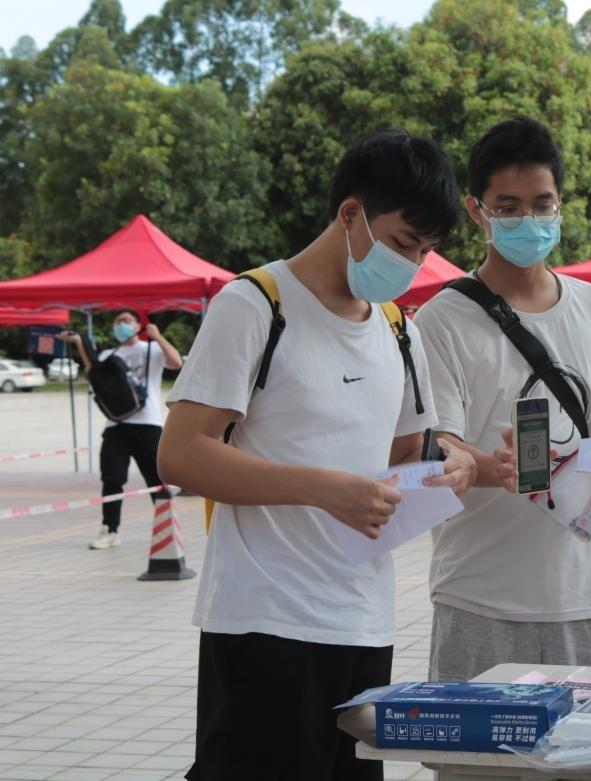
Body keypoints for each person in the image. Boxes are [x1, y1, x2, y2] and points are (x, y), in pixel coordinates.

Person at [157, 129, 477, 781]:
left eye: (423, 250)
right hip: (262, 623)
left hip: (363, 620)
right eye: (400, 242)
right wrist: (320, 486)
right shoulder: (256, 305)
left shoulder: (398, 330)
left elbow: (397, 462)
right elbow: (181, 454)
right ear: (350, 213)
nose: (411, 263)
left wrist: (452, 465)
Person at [414, 116, 591, 683]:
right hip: (480, 597)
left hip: (585, 593)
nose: (528, 220)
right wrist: (488, 467)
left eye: (542, 205)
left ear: (561, 204)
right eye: (508, 207)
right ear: (476, 210)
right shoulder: (442, 318)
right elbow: (439, 444)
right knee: (475, 769)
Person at [58, 312, 183, 549]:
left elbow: (176, 362)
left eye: (127, 320)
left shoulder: (150, 349)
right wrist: (79, 343)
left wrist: (157, 337)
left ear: (138, 325)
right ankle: (109, 530)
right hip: (116, 425)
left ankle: (167, 531)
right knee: (112, 479)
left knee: (156, 480)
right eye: (118, 322)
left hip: (147, 424)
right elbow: (93, 372)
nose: (122, 325)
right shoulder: (109, 354)